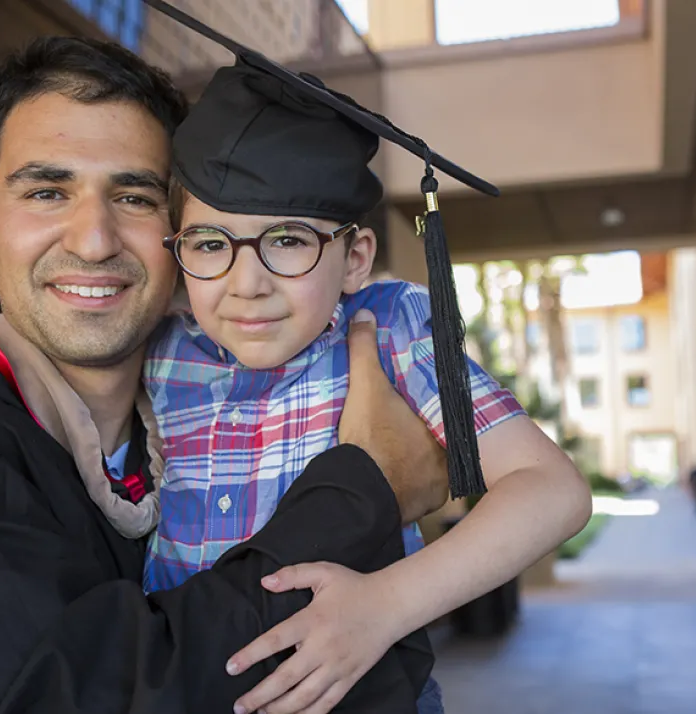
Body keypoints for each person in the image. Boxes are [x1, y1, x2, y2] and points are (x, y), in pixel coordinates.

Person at [0, 36, 451, 714]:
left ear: (186, 233)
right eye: (46, 191)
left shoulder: (223, 438)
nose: (93, 240)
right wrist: (366, 493)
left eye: (134, 197)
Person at [139, 4, 596, 713]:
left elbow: (554, 491)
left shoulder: (386, 335)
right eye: (208, 244)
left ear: (354, 258)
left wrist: (386, 605)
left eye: (288, 240)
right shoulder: (164, 354)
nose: (246, 281)